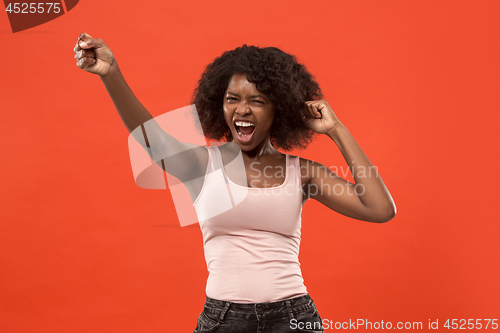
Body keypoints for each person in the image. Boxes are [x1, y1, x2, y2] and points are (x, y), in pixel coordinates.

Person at [74, 32, 396, 333]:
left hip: (294, 316)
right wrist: (111, 73)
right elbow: (153, 141)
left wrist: (336, 129)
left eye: (257, 100)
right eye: (232, 98)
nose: (242, 110)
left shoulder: (304, 173)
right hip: (222, 319)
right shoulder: (202, 164)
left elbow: (380, 208)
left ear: (277, 108)